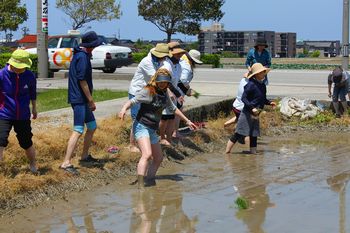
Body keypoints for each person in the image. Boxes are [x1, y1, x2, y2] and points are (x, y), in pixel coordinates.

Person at [119, 68, 196, 188]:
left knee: (159, 158)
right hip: (142, 126)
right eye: (161, 82)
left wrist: (187, 121)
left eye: (165, 82)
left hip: (151, 129)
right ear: (156, 80)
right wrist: (124, 109)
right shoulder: (148, 91)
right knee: (147, 154)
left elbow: (173, 109)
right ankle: (140, 185)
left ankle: (149, 180)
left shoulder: (164, 93)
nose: (163, 84)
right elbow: (132, 101)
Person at [59, 31, 102, 175]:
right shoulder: (82, 57)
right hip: (80, 99)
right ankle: (66, 162)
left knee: (92, 126)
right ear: (91, 46)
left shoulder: (80, 55)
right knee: (78, 130)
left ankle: (84, 156)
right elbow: (82, 80)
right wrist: (91, 100)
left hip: (82, 99)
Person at [128, 43, 173, 152]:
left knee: (144, 119)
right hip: (138, 92)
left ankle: (142, 143)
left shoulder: (158, 61)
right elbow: (157, 79)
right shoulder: (147, 62)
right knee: (136, 119)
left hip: (149, 93)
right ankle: (132, 145)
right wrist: (169, 91)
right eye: (164, 56)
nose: (165, 58)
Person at [0, 49, 38, 173]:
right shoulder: (2, 75)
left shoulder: (29, 75)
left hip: (22, 115)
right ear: (12, 64)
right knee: (1, 140)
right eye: (19, 67)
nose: (22, 69)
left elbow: (32, 93)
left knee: (26, 141)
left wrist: (34, 108)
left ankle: (33, 164)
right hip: (4, 113)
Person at [226, 63, 276, 154]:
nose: (264, 74)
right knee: (239, 132)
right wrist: (252, 108)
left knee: (254, 134)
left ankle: (253, 153)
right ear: (257, 74)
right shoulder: (250, 84)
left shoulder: (262, 85)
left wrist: (269, 102)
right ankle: (227, 152)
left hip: (256, 114)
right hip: (247, 112)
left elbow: (262, 99)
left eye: (265, 72)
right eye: (262, 72)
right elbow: (244, 98)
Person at [159, 42, 186, 146]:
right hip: (164, 93)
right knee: (165, 118)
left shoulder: (178, 66)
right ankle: (162, 137)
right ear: (170, 54)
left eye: (180, 54)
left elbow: (177, 82)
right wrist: (170, 92)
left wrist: (180, 94)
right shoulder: (166, 65)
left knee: (171, 118)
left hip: (173, 95)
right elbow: (164, 81)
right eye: (177, 54)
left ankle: (169, 139)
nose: (179, 56)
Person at [172, 49, 203, 138]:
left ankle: (172, 132)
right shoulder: (187, 66)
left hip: (175, 90)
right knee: (177, 112)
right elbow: (183, 80)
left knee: (175, 112)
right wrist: (188, 90)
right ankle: (174, 133)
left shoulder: (182, 60)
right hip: (177, 92)